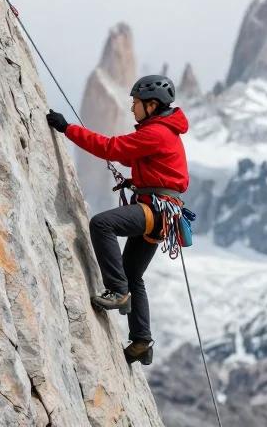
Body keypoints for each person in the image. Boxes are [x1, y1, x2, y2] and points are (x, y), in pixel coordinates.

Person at [46, 75, 189, 365]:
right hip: (161, 211)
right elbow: (130, 157)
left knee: (102, 224)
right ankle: (141, 340)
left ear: (151, 105)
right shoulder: (162, 132)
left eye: (136, 103)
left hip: (155, 209)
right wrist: (138, 180)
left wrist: (68, 129)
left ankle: (118, 292)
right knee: (133, 273)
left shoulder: (157, 133)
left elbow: (112, 149)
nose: (132, 108)